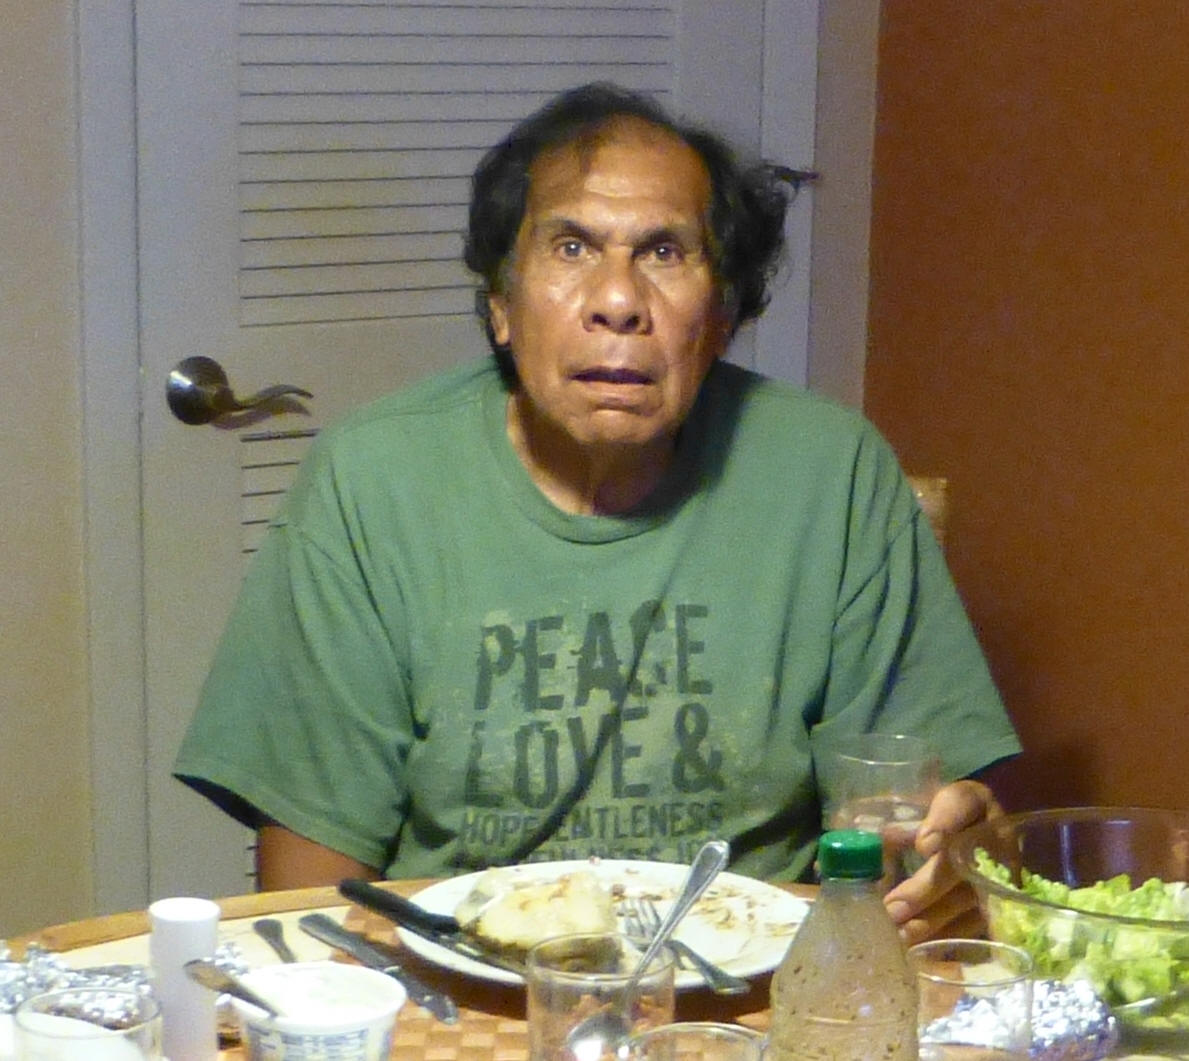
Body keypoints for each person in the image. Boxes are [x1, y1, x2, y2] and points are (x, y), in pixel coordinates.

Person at [174, 83, 1020, 942]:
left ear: (721, 316)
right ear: (500, 304)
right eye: (571, 246)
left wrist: (959, 848)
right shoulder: (370, 484)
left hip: (753, 981)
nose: (617, 299)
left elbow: (927, 846)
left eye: (664, 251)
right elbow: (313, 904)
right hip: (459, 980)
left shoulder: (831, 475)